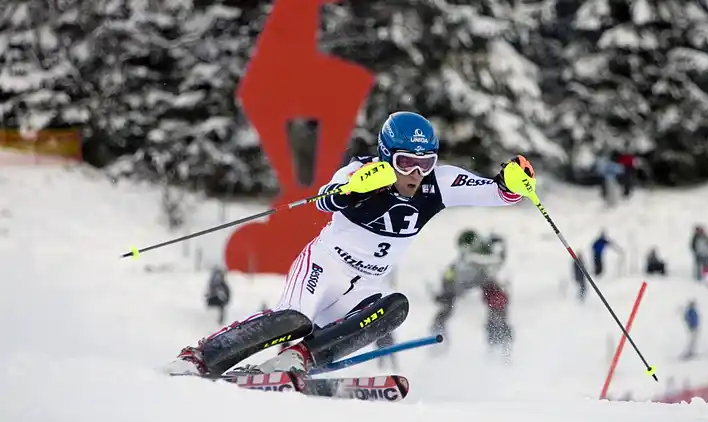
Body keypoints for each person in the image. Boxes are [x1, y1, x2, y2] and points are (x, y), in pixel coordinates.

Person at [168, 111, 534, 377]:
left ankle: (298, 360)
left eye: (426, 162)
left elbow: (501, 195)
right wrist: (354, 190)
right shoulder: (362, 171)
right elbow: (327, 200)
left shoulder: (439, 182)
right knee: (291, 320)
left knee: (395, 309)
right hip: (324, 267)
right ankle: (201, 356)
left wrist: (513, 181)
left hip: (367, 285)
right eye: (405, 162)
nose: (415, 173)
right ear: (387, 155)